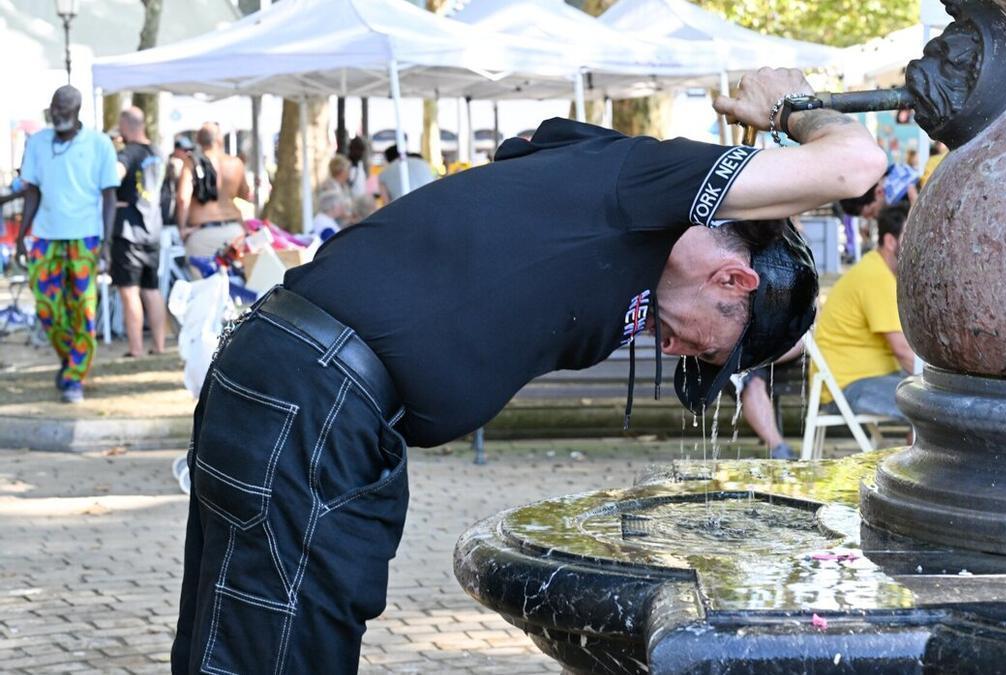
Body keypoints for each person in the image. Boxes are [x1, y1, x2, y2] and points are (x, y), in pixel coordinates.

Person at [171, 67, 886, 674]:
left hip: (318, 401)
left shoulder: (627, 224)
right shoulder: (645, 183)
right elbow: (856, 166)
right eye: (706, 351)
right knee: (276, 649)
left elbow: (534, 155)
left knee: (243, 644)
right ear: (733, 282)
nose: (674, 353)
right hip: (315, 392)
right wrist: (796, 110)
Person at [14, 86, 118, 404]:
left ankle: (74, 377)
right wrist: (21, 236)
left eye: (63, 108)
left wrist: (107, 243)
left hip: (85, 237)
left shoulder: (99, 144)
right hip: (45, 237)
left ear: (77, 110)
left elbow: (109, 196)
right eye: (54, 107)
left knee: (83, 309)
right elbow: (32, 192)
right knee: (47, 308)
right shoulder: (37, 143)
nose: (57, 113)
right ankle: (70, 356)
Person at [812, 205, 915, 420]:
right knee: (933, 406)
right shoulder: (876, 277)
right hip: (846, 387)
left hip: (867, 378)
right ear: (890, 241)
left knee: (928, 400)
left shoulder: (879, 271)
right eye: (911, 236)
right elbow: (903, 351)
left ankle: (915, 449)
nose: (918, 245)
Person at [112, 107, 168, 358]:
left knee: (129, 290)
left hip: (129, 230)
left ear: (125, 126)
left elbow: (113, 176)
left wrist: (112, 200)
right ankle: (159, 345)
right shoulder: (157, 152)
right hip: (153, 229)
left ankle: (135, 348)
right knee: (152, 288)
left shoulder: (128, 153)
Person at [176, 123, 249, 272]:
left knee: (203, 288)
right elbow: (245, 194)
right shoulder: (236, 163)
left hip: (202, 233)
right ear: (220, 140)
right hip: (234, 232)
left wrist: (182, 228)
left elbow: (183, 199)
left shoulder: (191, 162)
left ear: (198, 140)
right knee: (235, 285)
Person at [838, 162, 921, 220]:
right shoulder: (898, 172)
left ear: (879, 192)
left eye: (872, 213)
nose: (876, 217)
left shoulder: (900, 197)